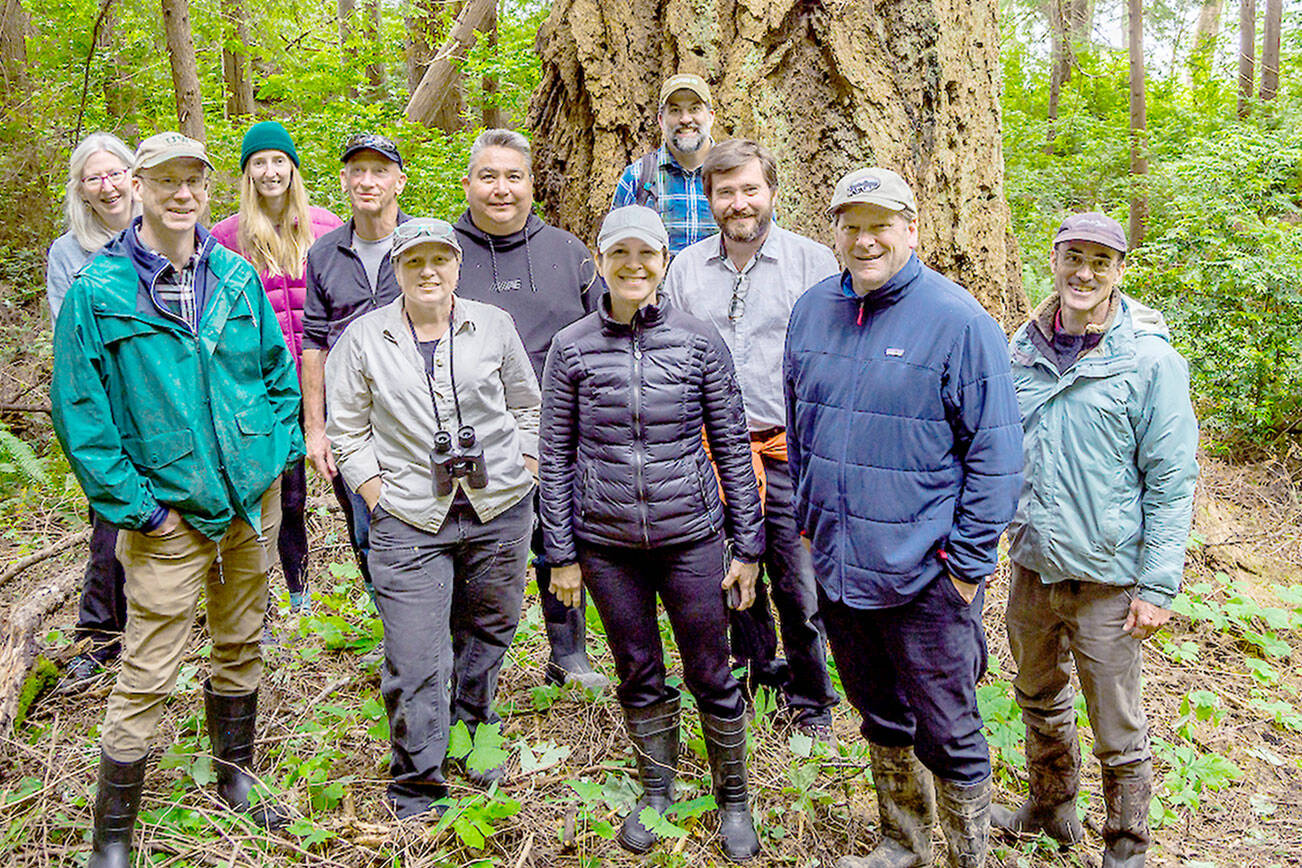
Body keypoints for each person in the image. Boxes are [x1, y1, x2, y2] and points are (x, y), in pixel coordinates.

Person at [51, 132, 303, 867]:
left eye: (193, 179)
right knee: (148, 666)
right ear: (138, 187)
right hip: (169, 515)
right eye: (165, 181)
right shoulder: (99, 293)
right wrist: (142, 509)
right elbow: (82, 413)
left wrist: (274, 456)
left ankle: (236, 779)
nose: (182, 193)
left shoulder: (234, 277)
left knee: (241, 642)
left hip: (251, 507)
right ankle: (114, 835)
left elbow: (277, 376)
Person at [783, 168, 1023, 868]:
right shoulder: (812, 311)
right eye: (850, 225)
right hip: (838, 565)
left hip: (926, 576)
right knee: (879, 715)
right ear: (835, 232)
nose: (865, 239)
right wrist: (810, 521)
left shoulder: (959, 321)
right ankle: (903, 840)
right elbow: (801, 426)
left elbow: (999, 459)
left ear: (911, 228)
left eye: (880, 223)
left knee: (949, 730)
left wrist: (965, 571)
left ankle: (966, 856)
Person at [540, 205, 766, 861]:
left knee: (712, 671)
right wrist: (561, 554)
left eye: (647, 255)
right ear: (602, 261)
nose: (634, 267)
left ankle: (734, 801)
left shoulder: (698, 342)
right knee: (639, 671)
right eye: (621, 255)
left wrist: (747, 547)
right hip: (606, 546)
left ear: (664, 262)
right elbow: (553, 457)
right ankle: (657, 793)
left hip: (690, 537)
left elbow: (730, 446)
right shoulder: (572, 347)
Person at [993, 213, 1198, 868]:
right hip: (1033, 568)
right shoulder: (1018, 349)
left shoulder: (1148, 360)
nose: (1084, 273)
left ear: (1119, 271)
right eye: (1073, 257)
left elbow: (1171, 478)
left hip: (1110, 578)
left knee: (1116, 721)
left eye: (1100, 262)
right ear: (1052, 260)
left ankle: (1127, 845)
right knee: (1036, 693)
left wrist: (1158, 584)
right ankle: (1052, 810)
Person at [325, 218, 539, 816]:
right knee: (417, 653)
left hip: (497, 506)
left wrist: (525, 462)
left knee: (488, 630)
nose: (428, 272)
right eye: (413, 261)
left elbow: (527, 403)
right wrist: (373, 491)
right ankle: (418, 778)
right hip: (409, 516)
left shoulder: (493, 325)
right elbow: (346, 428)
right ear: (396, 269)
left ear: (456, 265)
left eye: (439, 259)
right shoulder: (364, 338)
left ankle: (472, 733)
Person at [663, 138, 839, 737]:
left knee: (797, 581)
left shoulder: (812, 263)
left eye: (749, 190)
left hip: (788, 449)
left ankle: (813, 702)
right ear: (708, 198)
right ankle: (758, 676)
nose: (739, 203)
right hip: (711, 450)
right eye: (725, 192)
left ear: (771, 193)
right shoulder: (685, 269)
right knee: (729, 576)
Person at [452, 128, 608, 691]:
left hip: (567, 428)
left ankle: (569, 653)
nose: (501, 189)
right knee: (479, 553)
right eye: (489, 176)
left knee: (563, 537)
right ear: (468, 184)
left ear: (531, 185)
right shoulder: (444, 253)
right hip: (474, 437)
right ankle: (470, 668)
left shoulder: (567, 252)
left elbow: (606, 329)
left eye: (513, 177)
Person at [211, 121, 343, 618]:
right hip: (262, 388)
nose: (270, 172)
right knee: (281, 495)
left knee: (342, 486)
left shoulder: (325, 226)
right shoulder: (225, 237)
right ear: (247, 172)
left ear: (292, 167)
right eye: (259, 162)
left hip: (325, 378)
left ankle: (358, 587)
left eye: (278, 161)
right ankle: (280, 594)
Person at [301, 133, 409, 625]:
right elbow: (313, 343)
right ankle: (393, 629)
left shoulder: (423, 245)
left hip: (417, 415)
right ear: (344, 180)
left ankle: (440, 628)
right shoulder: (324, 253)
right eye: (358, 171)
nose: (368, 181)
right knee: (367, 528)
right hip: (352, 421)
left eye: (380, 171)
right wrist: (316, 429)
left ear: (399, 183)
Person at [46, 131, 137, 684]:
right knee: (110, 513)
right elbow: (69, 338)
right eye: (93, 177)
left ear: (134, 176)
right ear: (81, 188)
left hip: (165, 398)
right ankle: (101, 631)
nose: (107, 186)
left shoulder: (162, 234)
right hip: (104, 399)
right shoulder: (68, 252)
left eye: (115, 173)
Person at [611, 73, 718, 255]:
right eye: (675, 110)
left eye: (694, 109)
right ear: (661, 120)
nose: (685, 119)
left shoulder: (735, 174)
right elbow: (614, 251)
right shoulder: (636, 178)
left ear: (710, 116)